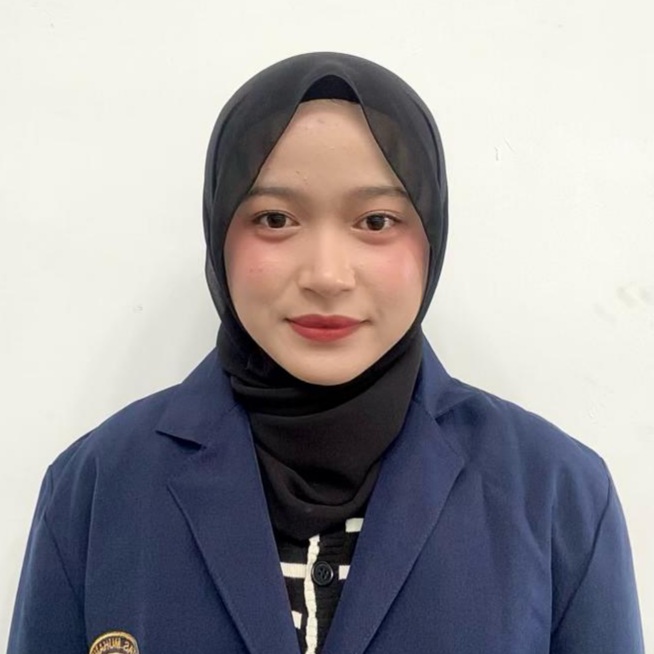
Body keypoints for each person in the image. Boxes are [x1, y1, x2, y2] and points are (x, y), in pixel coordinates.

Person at [8, 52, 644, 654]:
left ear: (432, 235)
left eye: (376, 222)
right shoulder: (97, 488)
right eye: (275, 219)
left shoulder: (556, 494)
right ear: (219, 230)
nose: (327, 275)